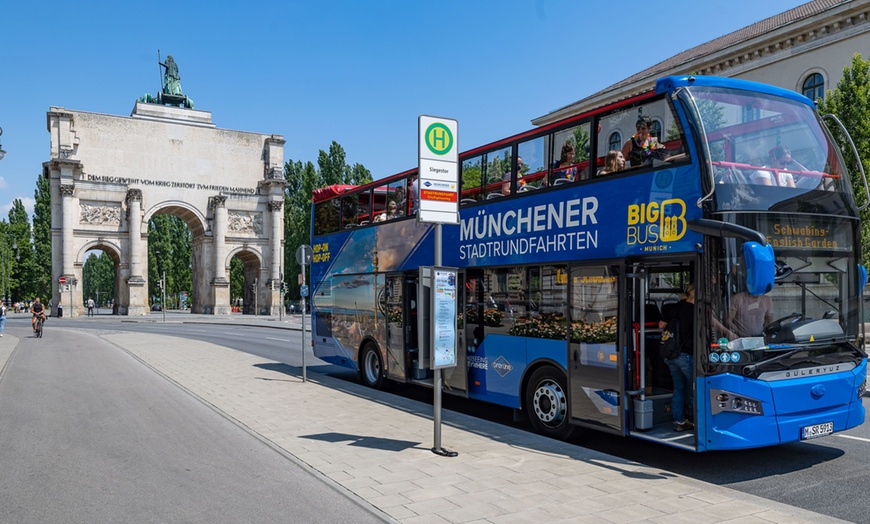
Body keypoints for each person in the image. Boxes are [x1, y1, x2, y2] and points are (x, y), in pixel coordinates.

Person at [658, 283, 695, 432]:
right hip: (686, 354)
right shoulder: (697, 310)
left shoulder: (676, 306)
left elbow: (661, 325)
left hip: (670, 354)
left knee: (679, 387)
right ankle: (694, 418)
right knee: (694, 387)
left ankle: (679, 421)